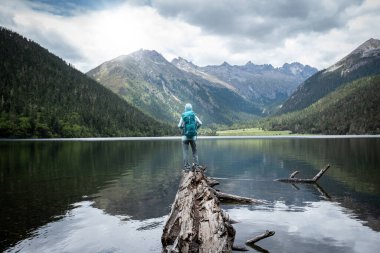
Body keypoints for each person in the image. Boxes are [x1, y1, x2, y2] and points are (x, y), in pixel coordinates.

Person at [178, 103, 202, 169]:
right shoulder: (193, 115)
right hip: (193, 137)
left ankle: (186, 168)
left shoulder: (183, 115)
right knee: (195, 152)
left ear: (185, 108)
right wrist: (196, 128)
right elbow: (200, 123)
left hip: (184, 137)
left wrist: (183, 129)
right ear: (191, 108)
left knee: (185, 152)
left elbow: (179, 125)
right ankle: (197, 167)